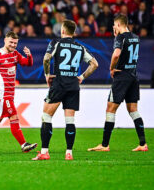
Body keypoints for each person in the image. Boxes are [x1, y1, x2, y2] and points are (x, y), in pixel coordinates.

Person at [32, 20, 98, 161]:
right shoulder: (80, 47)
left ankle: (44, 152)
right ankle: (69, 152)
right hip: (73, 85)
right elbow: (94, 64)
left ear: (62, 31)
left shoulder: (56, 43)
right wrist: (82, 77)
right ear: (74, 32)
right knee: (70, 120)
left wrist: (47, 75)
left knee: (46, 117)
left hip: (59, 83)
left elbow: (46, 59)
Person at [88, 14, 148, 152]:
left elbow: (116, 54)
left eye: (114, 25)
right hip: (133, 75)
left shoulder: (120, 38)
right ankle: (143, 143)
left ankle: (104, 145)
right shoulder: (135, 37)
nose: (113, 28)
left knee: (110, 109)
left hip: (121, 77)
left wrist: (111, 68)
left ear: (119, 25)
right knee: (133, 110)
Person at [0, 31, 37, 153]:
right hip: (2, 93)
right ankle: (23, 144)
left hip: (10, 93)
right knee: (13, 116)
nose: (13, 45)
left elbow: (28, 63)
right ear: (5, 40)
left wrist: (29, 56)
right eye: (11, 42)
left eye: (15, 43)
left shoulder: (15, 54)